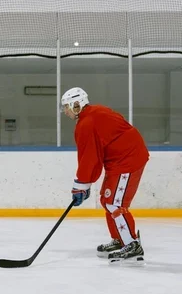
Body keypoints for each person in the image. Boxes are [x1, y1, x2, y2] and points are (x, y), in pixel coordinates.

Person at [61, 87, 149, 263]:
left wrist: (81, 185)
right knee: (107, 199)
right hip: (120, 160)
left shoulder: (86, 124)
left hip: (127, 160)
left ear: (76, 105)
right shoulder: (97, 112)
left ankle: (131, 244)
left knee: (115, 203)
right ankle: (119, 239)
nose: (65, 111)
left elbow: (89, 158)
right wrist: (84, 183)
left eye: (66, 107)